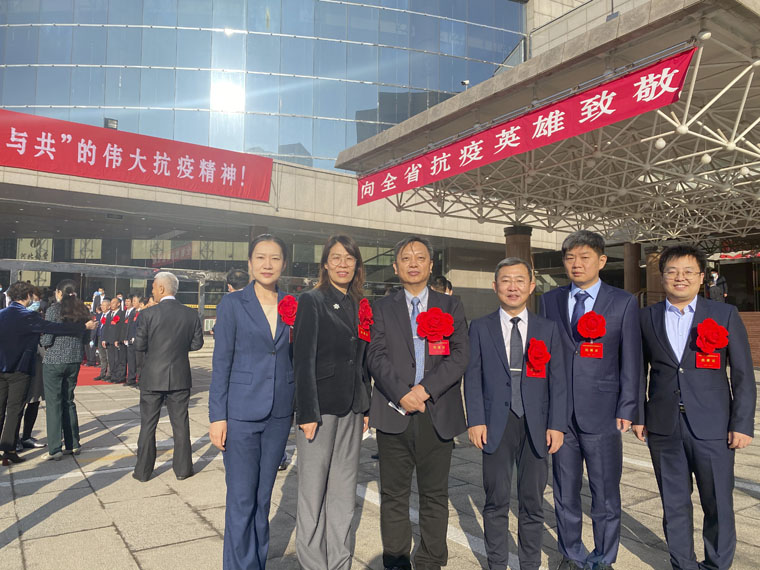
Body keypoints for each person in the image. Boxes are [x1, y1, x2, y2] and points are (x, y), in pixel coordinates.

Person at [633, 245, 755, 570]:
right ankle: (683, 565)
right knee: (674, 505)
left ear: (702, 277)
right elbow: (637, 371)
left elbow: (743, 374)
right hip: (664, 427)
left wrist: (742, 423)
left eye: (688, 271)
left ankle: (716, 565)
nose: (680, 277)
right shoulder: (646, 318)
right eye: (672, 271)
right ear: (662, 276)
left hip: (713, 427)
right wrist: (638, 414)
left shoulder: (723, 315)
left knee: (718, 505)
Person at [539, 230, 641, 570]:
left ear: (601, 261)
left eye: (585, 257)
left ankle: (604, 557)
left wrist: (628, 406)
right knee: (564, 491)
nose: (577, 264)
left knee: (605, 493)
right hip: (560, 416)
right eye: (570, 258)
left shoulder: (622, 302)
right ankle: (570, 553)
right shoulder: (550, 300)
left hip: (603, 412)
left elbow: (631, 359)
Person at [367, 236, 469, 570]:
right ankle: (396, 561)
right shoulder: (381, 308)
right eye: (406, 258)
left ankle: (430, 560)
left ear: (430, 265)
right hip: (394, 412)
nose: (413, 263)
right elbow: (375, 355)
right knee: (393, 495)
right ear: (395, 266)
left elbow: (460, 356)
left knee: (435, 495)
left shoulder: (450, 305)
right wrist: (402, 394)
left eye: (420, 257)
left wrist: (423, 390)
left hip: (436, 412)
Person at [465, 257, 567, 570]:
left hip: (536, 425)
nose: (513, 287)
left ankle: (529, 563)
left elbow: (558, 381)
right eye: (506, 280)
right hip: (496, 423)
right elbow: (473, 377)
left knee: (532, 502)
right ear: (495, 286)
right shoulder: (480, 327)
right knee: (496, 500)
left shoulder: (547, 329)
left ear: (531, 286)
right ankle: (496, 563)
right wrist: (475, 420)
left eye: (520, 280)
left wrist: (557, 424)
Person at [209, 235, 295, 570]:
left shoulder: (293, 304)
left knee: (262, 499)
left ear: (284, 263)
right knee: (241, 499)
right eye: (260, 257)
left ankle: (256, 563)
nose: (267, 264)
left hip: (279, 414)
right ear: (250, 263)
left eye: (275, 258)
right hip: (241, 414)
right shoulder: (232, 304)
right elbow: (221, 362)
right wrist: (218, 416)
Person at [293, 235, 372, 570]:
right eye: (336, 258)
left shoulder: (360, 303)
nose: (343, 264)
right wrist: (307, 411)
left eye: (349, 258)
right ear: (325, 264)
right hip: (320, 408)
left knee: (343, 490)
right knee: (312, 492)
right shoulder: (312, 300)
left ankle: (339, 561)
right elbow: (302, 359)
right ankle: (313, 563)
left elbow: (362, 360)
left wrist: (365, 406)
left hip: (352, 407)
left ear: (357, 265)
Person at [0, 281, 96, 466]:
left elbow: (49, 336)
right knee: (19, 408)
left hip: (18, 364)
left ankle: (49, 447)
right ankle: (11, 449)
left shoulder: (4, 313)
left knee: (6, 407)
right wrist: (83, 327)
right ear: (27, 296)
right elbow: (66, 332)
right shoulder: (30, 316)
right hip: (38, 365)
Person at [133, 271, 203, 482]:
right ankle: (183, 469)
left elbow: (139, 345)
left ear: (162, 288)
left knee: (148, 424)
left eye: (153, 287)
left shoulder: (148, 314)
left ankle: (143, 471)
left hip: (153, 376)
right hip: (180, 375)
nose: (152, 291)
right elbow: (197, 344)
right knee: (180, 424)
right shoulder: (190, 314)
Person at [40, 279, 92, 460]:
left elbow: (47, 338)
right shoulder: (83, 311)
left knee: (54, 403)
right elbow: (86, 338)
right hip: (74, 360)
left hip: (55, 359)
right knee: (68, 401)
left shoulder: (54, 310)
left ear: (59, 292)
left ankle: (55, 448)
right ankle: (73, 443)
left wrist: (41, 341)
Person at [102, 297, 126, 383]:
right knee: (111, 360)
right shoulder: (109, 314)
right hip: (109, 341)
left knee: (118, 360)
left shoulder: (122, 314)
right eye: (111, 303)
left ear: (118, 304)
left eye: (113, 303)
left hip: (117, 341)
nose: (111, 304)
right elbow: (106, 328)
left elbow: (122, 329)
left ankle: (119, 376)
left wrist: (118, 339)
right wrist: (104, 339)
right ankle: (113, 375)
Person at [123, 296, 139, 386]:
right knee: (130, 360)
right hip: (129, 339)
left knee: (136, 361)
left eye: (134, 301)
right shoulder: (131, 312)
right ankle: (130, 378)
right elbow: (128, 326)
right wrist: (126, 338)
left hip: (136, 339)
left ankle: (135, 379)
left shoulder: (139, 312)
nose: (133, 303)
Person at [93, 299, 111, 381]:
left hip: (107, 338)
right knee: (102, 357)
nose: (102, 307)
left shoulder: (110, 315)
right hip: (99, 337)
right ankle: (102, 374)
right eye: (102, 305)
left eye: (104, 305)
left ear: (108, 306)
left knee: (108, 357)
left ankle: (109, 374)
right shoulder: (100, 315)